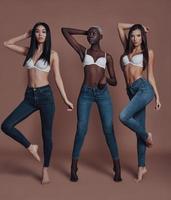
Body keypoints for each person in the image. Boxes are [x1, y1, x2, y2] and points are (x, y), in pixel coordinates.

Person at [1, 22, 73, 184]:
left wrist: (66, 99)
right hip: (29, 97)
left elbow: (58, 78)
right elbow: (7, 44)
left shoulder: (53, 54)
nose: (40, 34)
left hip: (45, 96)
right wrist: (25, 35)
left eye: (44, 32)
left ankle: (45, 169)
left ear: (47, 35)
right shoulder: (28, 52)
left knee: (47, 135)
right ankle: (30, 146)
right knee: (6, 125)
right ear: (34, 35)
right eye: (37, 32)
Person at [61, 26, 122, 182]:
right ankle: (73, 168)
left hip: (102, 94)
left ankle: (117, 167)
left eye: (94, 33)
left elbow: (114, 81)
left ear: (101, 36)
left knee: (108, 129)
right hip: (86, 94)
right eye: (89, 34)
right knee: (81, 129)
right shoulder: (83, 51)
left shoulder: (108, 57)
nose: (90, 36)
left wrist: (105, 79)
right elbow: (64, 31)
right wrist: (84, 32)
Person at [117, 23, 161, 182]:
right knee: (139, 128)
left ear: (143, 37)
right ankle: (142, 166)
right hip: (130, 91)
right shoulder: (127, 50)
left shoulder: (148, 52)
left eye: (139, 35)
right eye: (133, 35)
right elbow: (119, 26)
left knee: (123, 116)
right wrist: (139, 25)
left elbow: (151, 76)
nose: (135, 38)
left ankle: (146, 135)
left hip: (143, 89)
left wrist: (157, 96)